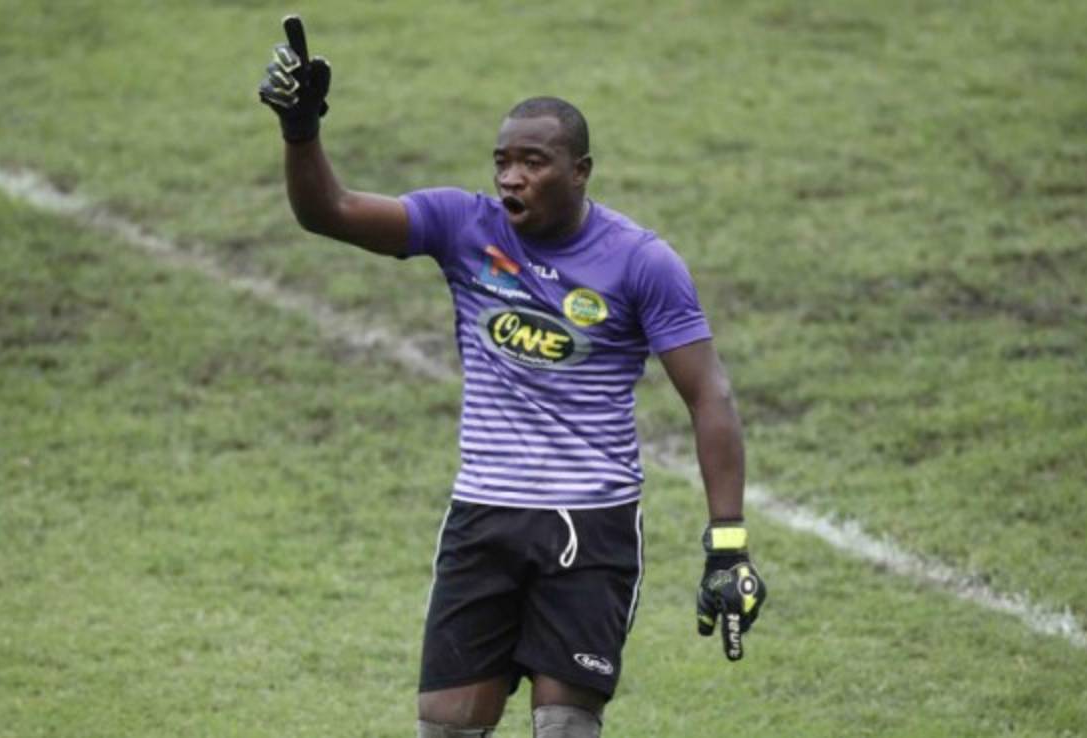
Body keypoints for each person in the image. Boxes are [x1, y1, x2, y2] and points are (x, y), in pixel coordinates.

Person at [258, 16, 766, 738]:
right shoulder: (463, 227)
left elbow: (708, 394)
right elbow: (328, 212)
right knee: (445, 729)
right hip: (484, 518)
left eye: (533, 161)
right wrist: (301, 131)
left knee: (564, 726)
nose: (510, 177)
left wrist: (728, 544)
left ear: (580, 171)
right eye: (502, 161)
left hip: (589, 528)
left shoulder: (641, 262)